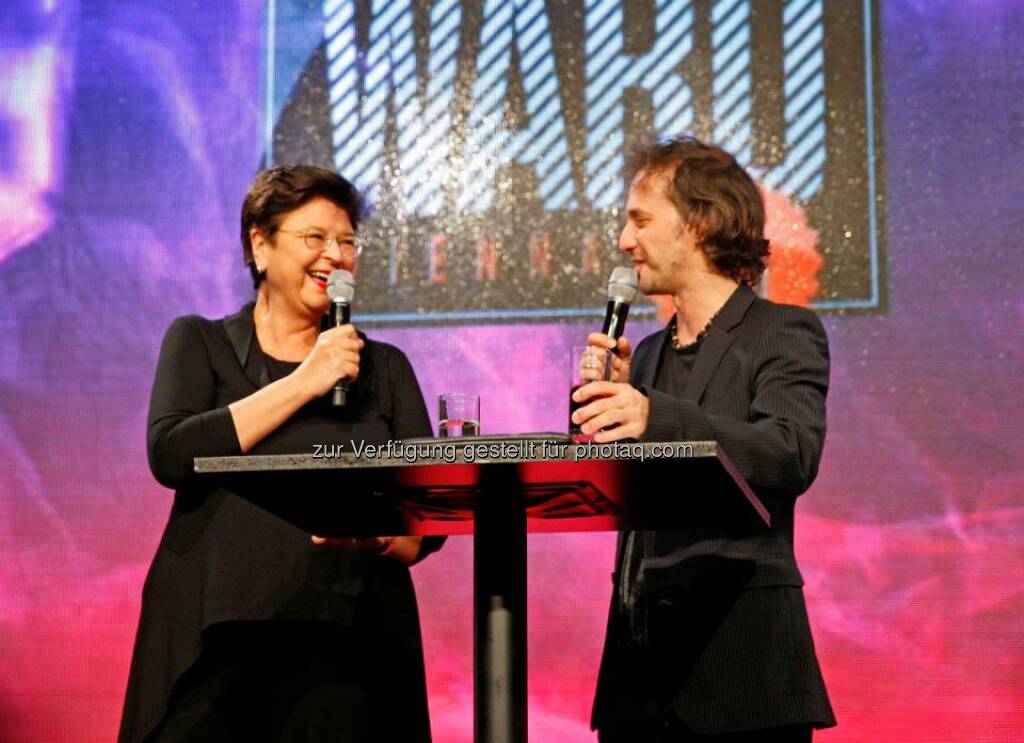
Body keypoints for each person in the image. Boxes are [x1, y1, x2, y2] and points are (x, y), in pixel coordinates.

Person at [119, 165, 442, 742]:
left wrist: (382, 536)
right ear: (260, 245)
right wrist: (305, 380)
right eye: (315, 237)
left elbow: (429, 518)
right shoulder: (201, 343)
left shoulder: (385, 369)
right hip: (215, 644)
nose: (335, 256)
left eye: (347, 242)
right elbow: (171, 453)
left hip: (349, 647)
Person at [573, 137, 836, 742]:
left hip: (740, 673)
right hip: (639, 681)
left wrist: (655, 417)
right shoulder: (646, 356)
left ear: (699, 224)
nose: (624, 240)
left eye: (641, 220)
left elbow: (790, 452)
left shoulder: (781, 330)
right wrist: (595, 417)